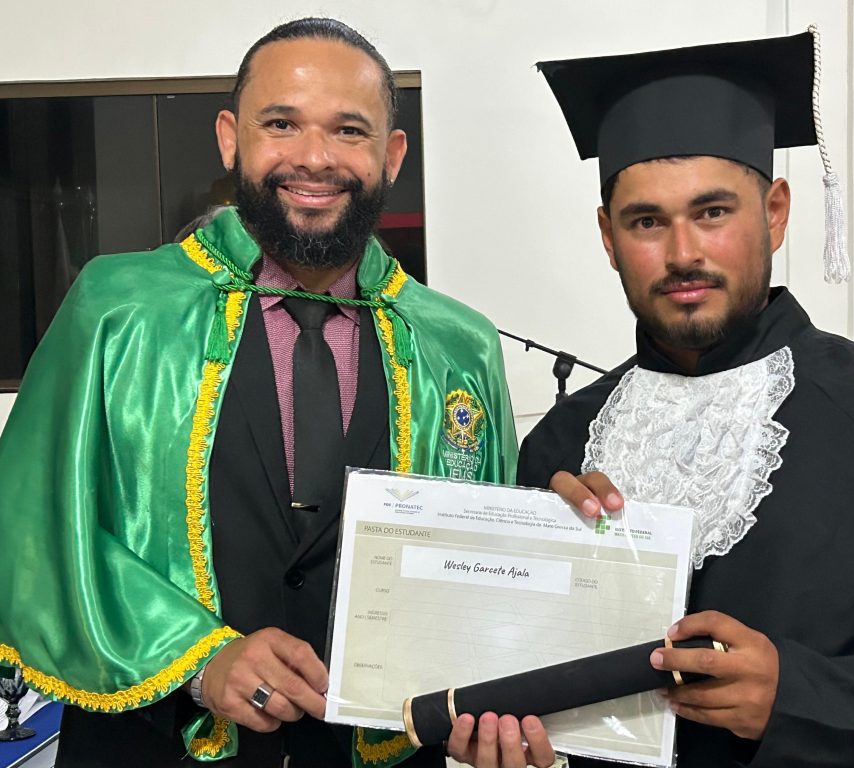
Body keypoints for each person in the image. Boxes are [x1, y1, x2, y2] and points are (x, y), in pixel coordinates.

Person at [0, 18, 530, 768]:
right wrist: (196, 658)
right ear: (230, 137)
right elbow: (30, 525)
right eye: (281, 123)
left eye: (350, 130)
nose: (313, 158)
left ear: (393, 155)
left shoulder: (455, 344)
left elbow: (489, 558)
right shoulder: (118, 310)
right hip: (150, 750)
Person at [514, 29, 854, 767]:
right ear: (607, 235)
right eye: (647, 221)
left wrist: (797, 696)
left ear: (776, 213)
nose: (683, 252)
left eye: (713, 212)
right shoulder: (561, 444)